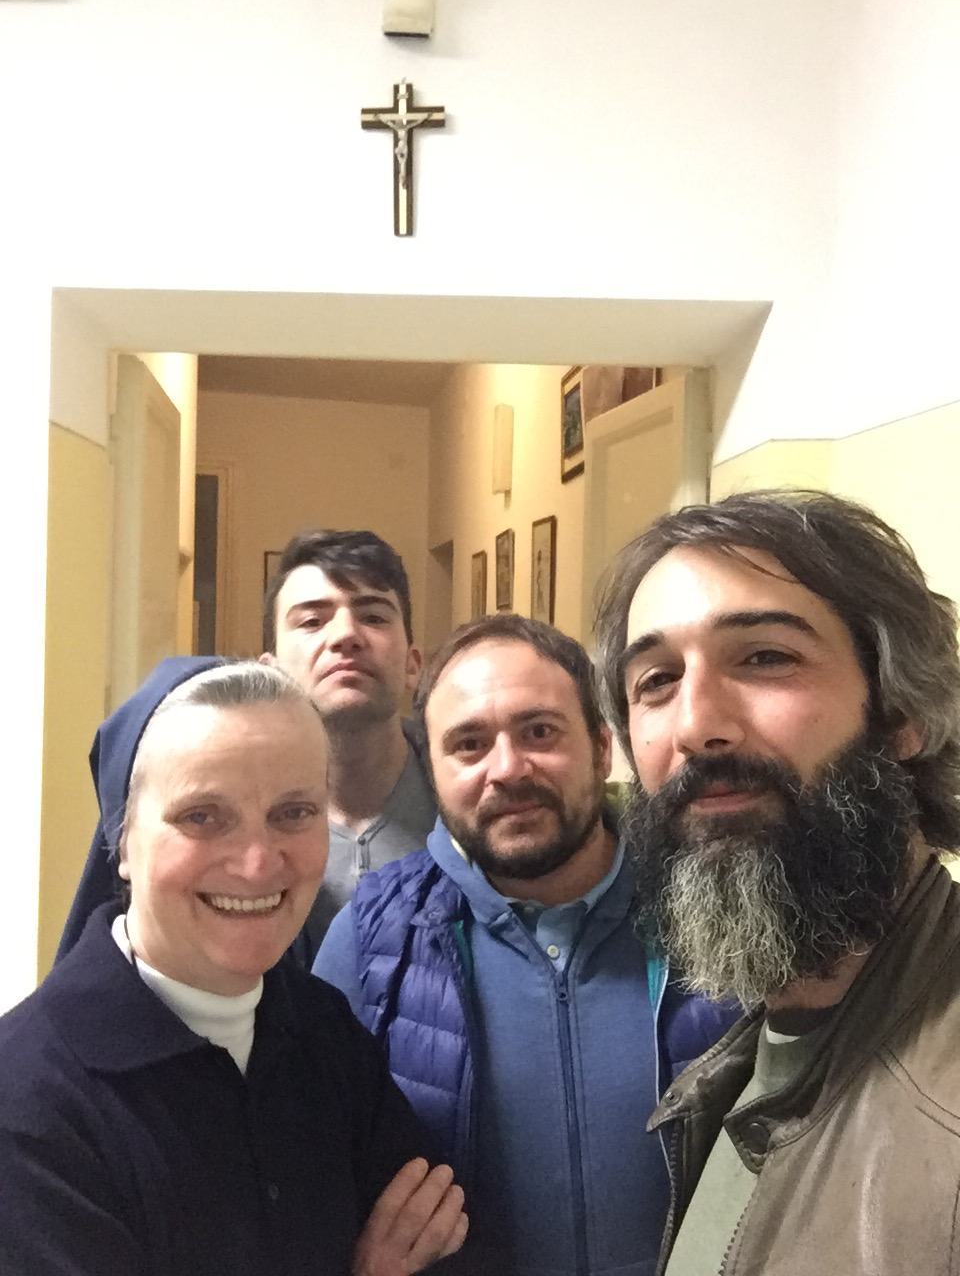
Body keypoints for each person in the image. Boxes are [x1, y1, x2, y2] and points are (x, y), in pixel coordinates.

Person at [593, 489, 960, 1276]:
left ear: (900, 711)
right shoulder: (752, 1055)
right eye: (656, 680)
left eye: (765, 657)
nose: (695, 724)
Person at [0, 660, 466, 1275]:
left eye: (293, 812)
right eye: (202, 816)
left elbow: (440, 1244)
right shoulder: (27, 1101)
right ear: (123, 842)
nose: (256, 865)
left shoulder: (327, 1035)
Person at [315, 614, 736, 1276]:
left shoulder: (722, 907)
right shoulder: (371, 942)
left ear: (602, 748)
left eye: (539, 731)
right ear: (434, 772)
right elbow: (306, 1177)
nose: (507, 769)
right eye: (469, 745)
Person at [262, 530, 437, 961]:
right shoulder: (234, 825)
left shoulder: (471, 803)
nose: (346, 635)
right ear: (270, 671)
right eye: (311, 621)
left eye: (373, 617)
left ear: (413, 665)